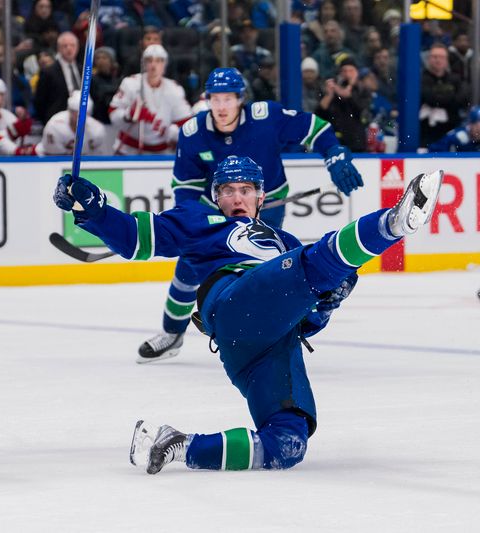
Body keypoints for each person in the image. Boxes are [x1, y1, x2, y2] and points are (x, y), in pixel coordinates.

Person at [53, 155, 444, 474]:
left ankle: (177, 445)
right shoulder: (198, 222)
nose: (236, 197)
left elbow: (308, 321)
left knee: (287, 443)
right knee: (315, 261)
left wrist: (328, 304)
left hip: (265, 345)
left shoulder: (284, 242)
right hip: (232, 304)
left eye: (245, 189)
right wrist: (94, 209)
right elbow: (134, 238)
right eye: (227, 190)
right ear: (216, 196)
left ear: (260, 196)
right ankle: (392, 223)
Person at [138, 67, 364, 364]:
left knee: (271, 267)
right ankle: (172, 333)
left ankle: (292, 327)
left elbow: (314, 128)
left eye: (227, 99)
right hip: (218, 214)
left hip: (267, 210)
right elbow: (186, 188)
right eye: (214, 99)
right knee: (189, 267)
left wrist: (333, 152)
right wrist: (189, 222)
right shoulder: (193, 134)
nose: (221, 107)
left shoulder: (265, 117)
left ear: (240, 99)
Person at [108, 44, 191, 155]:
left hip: (162, 153)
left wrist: (175, 133)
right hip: (128, 150)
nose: (153, 65)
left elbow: (187, 125)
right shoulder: (130, 83)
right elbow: (113, 114)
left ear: (165, 64)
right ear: (143, 63)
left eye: (158, 61)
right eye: (149, 60)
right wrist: (128, 115)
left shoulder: (175, 89)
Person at [36, 91, 106, 155]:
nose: (80, 116)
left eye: (85, 113)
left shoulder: (96, 129)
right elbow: (52, 153)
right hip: (49, 158)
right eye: (76, 112)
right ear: (70, 111)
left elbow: (95, 155)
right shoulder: (55, 125)